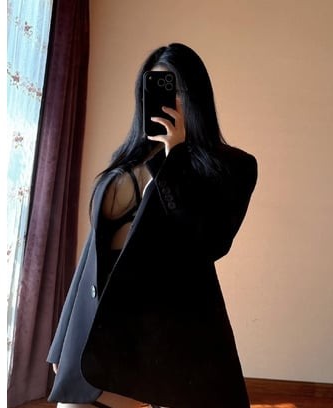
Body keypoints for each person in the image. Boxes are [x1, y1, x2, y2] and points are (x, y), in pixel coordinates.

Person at [46, 43, 258, 408]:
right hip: (99, 324)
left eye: (177, 88)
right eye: (156, 86)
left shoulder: (232, 166)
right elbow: (91, 253)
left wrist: (176, 157)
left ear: (197, 96)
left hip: (166, 330)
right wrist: (62, 338)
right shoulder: (127, 160)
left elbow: (211, 243)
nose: (167, 98)